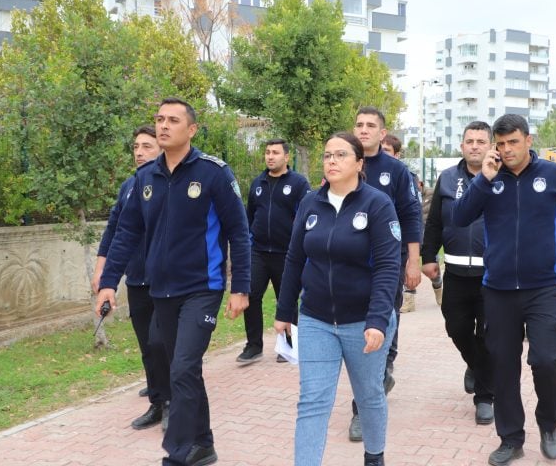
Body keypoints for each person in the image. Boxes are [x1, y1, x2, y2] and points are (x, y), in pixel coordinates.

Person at [95, 98, 251, 466]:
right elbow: (126, 233)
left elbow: (239, 232)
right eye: (159, 119)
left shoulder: (214, 173)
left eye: (173, 120)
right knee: (184, 369)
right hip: (160, 289)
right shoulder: (144, 178)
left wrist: (241, 287)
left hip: (203, 288)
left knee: (181, 367)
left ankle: (178, 454)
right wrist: (108, 280)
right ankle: (203, 444)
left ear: (191, 130)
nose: (164, 126)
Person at [452, 114, 556, 465]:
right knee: (503, 367)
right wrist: (483, 180)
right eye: (500, 145)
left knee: (547, 360)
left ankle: (549, 425)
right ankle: (511, 438)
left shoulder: (555, 176)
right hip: (498, 289)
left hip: (545, 286)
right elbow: (459, 218)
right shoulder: (489, 179)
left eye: (513, 143)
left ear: (528, 140)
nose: (506, 151)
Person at [274, 132, 400, 466]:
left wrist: (376, 320)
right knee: (312, 400)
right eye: (327, 155)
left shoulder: (377, 204)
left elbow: (389, 266)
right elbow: (294, 259)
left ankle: (374, 457)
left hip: (364, 321)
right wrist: (284, 310)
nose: (331, 161)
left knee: (369, 394)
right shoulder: (310, 203)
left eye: (341, 155)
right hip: (316, 319)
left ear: (359, 163)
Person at [349, 106, 422, 441]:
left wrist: (413, 261)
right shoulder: (343, 162)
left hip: (386, 266)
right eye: (359, 125)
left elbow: (410, 217)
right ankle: (380, 376)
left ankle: (361, 411)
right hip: (349, 267)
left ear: (382, 133)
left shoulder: (396, 171)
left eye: (371, 126)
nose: (364, 130)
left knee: (380, 330)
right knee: (357, 336)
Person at [92, 125, 171, 431]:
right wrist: (102, 272)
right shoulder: (130, 186)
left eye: (147, 146)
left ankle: (172, 402)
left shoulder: (170, 185)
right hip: (136, 278)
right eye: (136, 146)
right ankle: (156, 402)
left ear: (162, 148)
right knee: (147, 346)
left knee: (160, 342)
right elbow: (114, 231)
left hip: (166, 280)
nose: (139, 152)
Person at [421, 121, 495, 425]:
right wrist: (428, 256)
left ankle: (485, 396)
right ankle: (476, 365)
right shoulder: (448, 179)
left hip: (492, 277)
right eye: (469, 141)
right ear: (461, 146)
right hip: (455, 274)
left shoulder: (502, 179)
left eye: (481, 141)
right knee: (457, 329)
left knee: (489, 336)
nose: (475, 146)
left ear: (490, 145)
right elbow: (436, 221)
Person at [237, 138, 310, 364]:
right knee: (251, 296)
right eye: (268, 152)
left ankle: (288, 345)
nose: (270, 156)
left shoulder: (298, 183)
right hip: (258, 251)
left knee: (285, 299)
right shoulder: (258, 182)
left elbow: (306, 216)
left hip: (286, 253)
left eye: (275, 152)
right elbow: (250, 215)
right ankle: (254, 346)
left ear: (286, 157)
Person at [380, 133, 434, 312]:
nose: (382, 153)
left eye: (387, 150)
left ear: (397, 155)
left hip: (400, 243)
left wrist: (414, 258)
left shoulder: (406, 176)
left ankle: (411, 297)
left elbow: (413, 215)